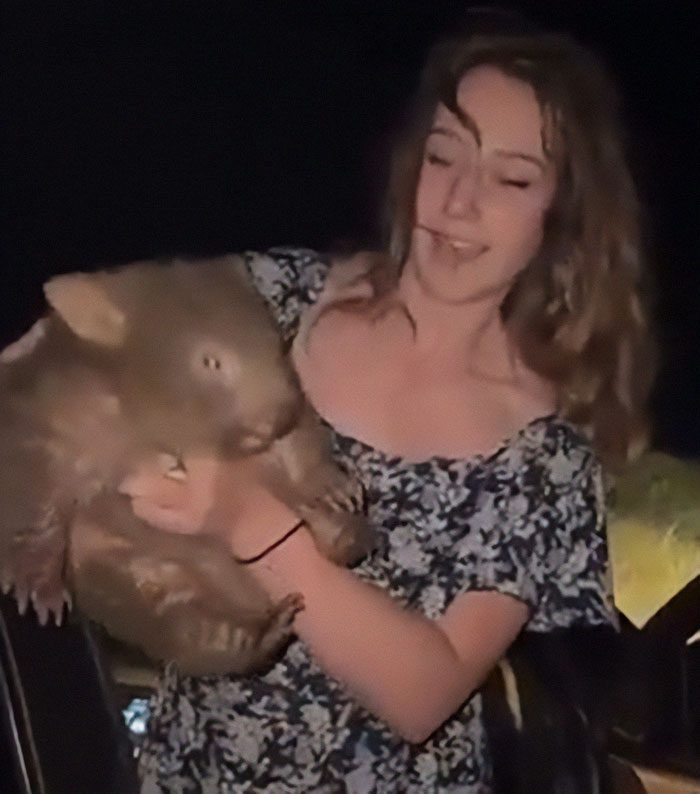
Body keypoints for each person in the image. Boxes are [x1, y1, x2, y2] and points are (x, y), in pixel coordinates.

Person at [125, 20, 653, 794]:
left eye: (511, 179)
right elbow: (104, 349)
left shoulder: (547, 459)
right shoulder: (281, 301)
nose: (460, 200)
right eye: (444, 155)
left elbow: (422, 692)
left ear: (560, 218)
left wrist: (253, 520)